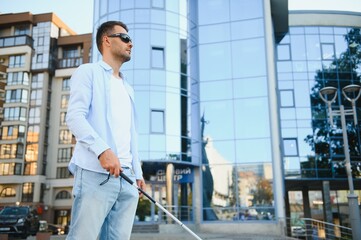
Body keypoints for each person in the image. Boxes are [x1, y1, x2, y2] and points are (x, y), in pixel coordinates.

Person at [66, 20, 146, 240]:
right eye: (126, 38)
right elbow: (74, 117)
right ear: (107, 40)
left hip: (127, 177)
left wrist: (137, 173)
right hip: (95, 173)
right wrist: (102, 150)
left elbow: (131, 133)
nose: (131, 44)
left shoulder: (127, 87)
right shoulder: (88, 72)